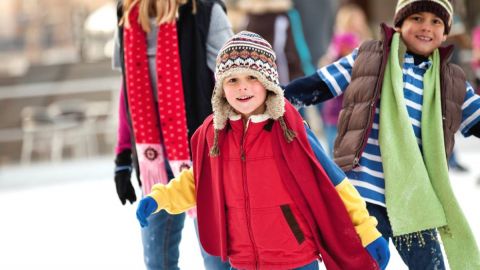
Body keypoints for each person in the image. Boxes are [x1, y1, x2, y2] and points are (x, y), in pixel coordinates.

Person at [136, 31, 390, 270]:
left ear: (268, 83)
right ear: (221, 88)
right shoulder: (215, 135)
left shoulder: (289, 131)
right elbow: (199, 181)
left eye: (252, 78)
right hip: (243, 259)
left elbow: (334, 184)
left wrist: (366, 230)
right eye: (232, 80)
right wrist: (160, 198)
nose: (242, 87)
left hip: (295, 257)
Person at [284, 0, 480, 269]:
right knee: (360, 264)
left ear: (445, 33)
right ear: (399, 24)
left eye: (436, 22)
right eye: (417, 19)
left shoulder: (452, 81)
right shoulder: (370, 57)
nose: (426, 27)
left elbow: (477, 118)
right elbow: (322, 82)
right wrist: (279, 97)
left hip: (415, 199)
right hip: (365, 195)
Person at [111, 0, 233, 269]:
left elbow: (235, 83)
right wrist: (122, 155)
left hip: (205, 156)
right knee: (158, 263)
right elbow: (127, 92)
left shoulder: (205, 12)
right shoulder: (127, 15)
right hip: (151, 160)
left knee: (219, 261)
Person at [317, 3, 371, 157]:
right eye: (352, 23)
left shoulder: (367, 44)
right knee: (333, 158)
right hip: (336, 112)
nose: (356, 27)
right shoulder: (339, 44)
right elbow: (325, 69)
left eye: (359, 23)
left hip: (357, 114)